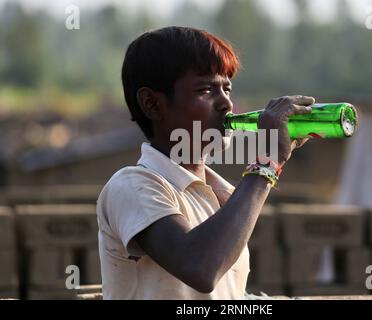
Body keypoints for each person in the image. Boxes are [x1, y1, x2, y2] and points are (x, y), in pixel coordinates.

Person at [96, 26, 315, 299]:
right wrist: (266, 163)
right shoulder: (131, 186)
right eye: (206, 90)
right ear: (152, 104)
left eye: (227, 88)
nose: (226, 104)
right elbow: (199, 268)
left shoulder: (222, 195)